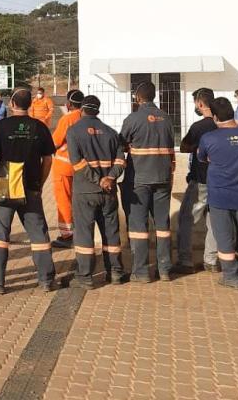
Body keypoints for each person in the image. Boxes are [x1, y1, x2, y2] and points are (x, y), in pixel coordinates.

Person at [0, 89, 57, 294]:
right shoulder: (39, 127)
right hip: (30, 187)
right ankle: (46, 280)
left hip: (4, 188)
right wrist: (40, 183)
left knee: (0, 237)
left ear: (12, 103)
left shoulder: (1, 126)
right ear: (30, 104)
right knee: (38, 234)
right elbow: (48, 159)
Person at [198, 98, 238, 288]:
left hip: (219, 197)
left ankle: (231, 277)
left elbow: (203, 157)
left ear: (216, 117)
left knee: (225, 237)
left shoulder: (209, 138)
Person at [66, 96, 127, 288]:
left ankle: (85, 277)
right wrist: (109, 178)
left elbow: (77, 163)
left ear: (82, 109)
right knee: (111, 232)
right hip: (108, 192)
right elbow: (120, 161)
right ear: (98, 110)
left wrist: (98, 180)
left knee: (84, 232)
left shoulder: (74, 131)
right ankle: (115, 272)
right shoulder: (111, 133)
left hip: (85, 192)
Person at [119, 81, 175, 282]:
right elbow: (170, 147)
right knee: (162, 225)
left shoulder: (133, 118)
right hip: (163, 177)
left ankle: (141, 272)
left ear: (137, 97)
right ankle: (165, 269)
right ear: (154, 96)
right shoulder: (167, 118)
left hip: (139, 178)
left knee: (139, 225)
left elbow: (121, 143)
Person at [175, 88, 219, 274]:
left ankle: (185, 261)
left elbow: (184, 146)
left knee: (186, 218)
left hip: (200, 179)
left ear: (200, 104)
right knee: (214, 221)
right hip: (220, 181)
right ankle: (211, 260)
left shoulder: (199, 127)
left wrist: (196, 146)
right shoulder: (223, 124)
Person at [50, 89, 84, 248]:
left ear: (69, 104)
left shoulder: (67, 119)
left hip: (64, 166)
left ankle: (67, 235)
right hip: (81, 167)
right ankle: (81, 232)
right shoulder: (85, 117)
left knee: (64, 200)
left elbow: (55, 142)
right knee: (78, 200)